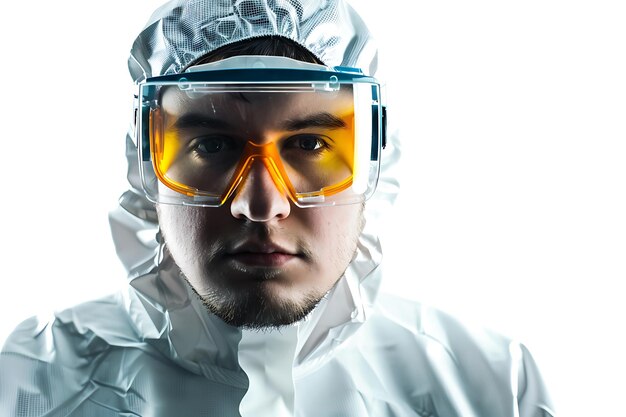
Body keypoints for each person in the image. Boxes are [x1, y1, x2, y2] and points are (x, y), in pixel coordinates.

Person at [0, 0, 555, 416]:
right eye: (212, 145)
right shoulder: (30, 382)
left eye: (310, 145)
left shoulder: (491, 388)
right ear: (144, 165)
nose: (260, 203)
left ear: (375, 160)